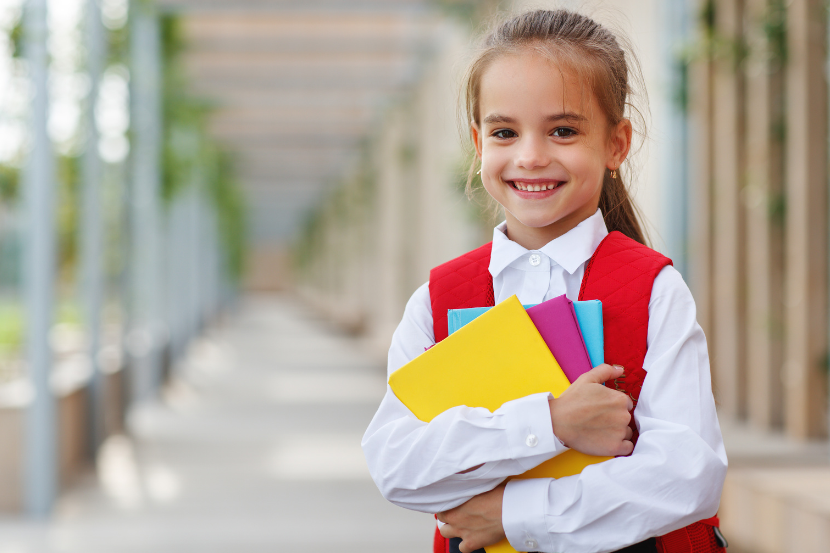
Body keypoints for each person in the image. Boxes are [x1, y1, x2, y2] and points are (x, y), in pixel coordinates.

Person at [362, 9, 728, 553]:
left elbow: (687, 475)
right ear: (479, 143)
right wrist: (551, 423)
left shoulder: (653, 290)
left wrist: (513, 515)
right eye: (504, 132)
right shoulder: (437, 301)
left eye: (563, 131)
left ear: (616, 144)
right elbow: (398, 465)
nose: (530, 156)